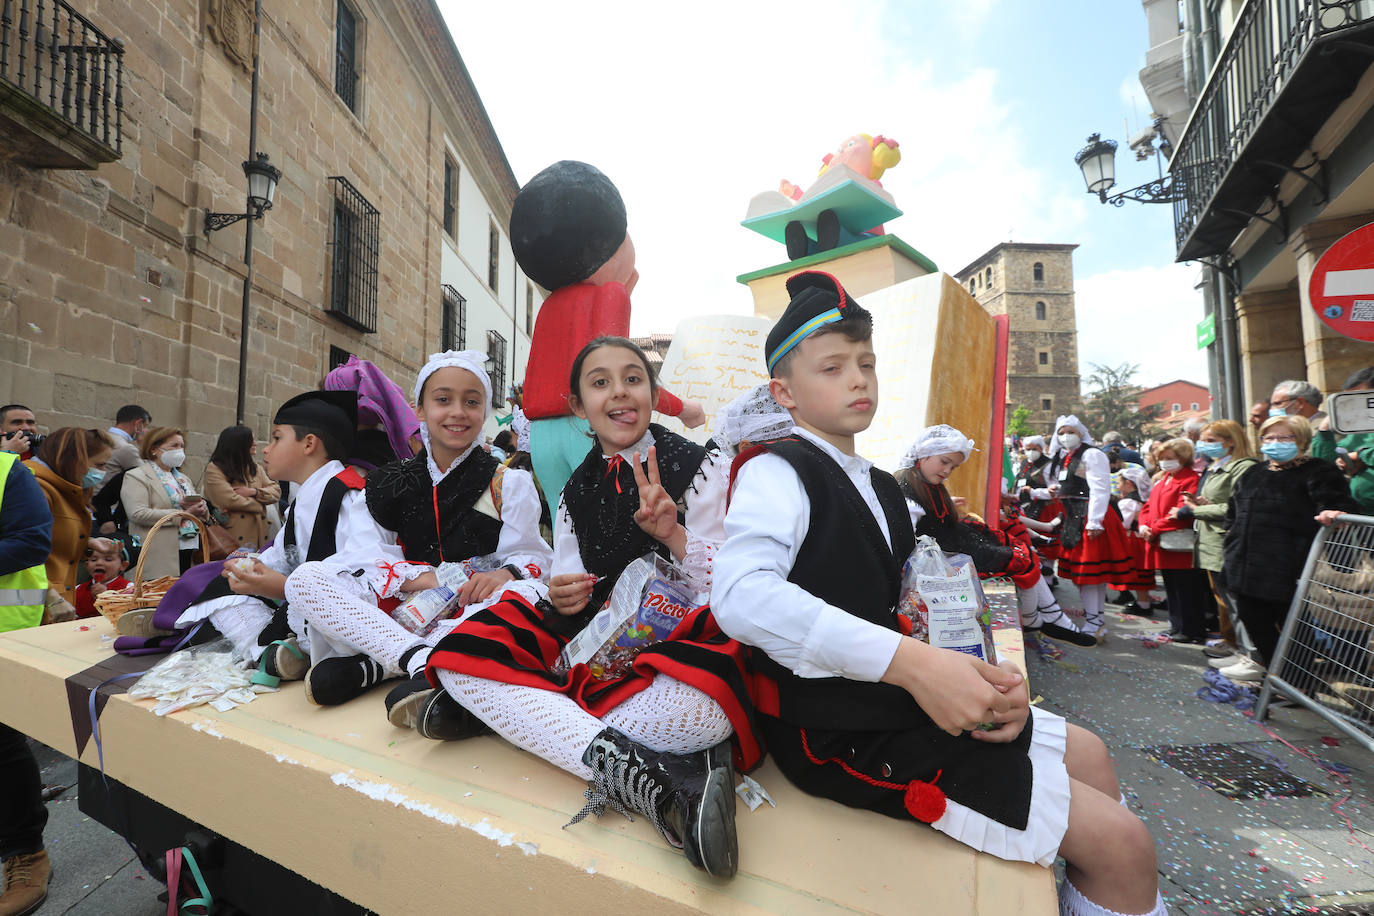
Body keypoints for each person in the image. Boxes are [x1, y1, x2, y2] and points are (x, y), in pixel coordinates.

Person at [713, 271, 1163, 916]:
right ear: (783, 392)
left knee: (1090, 753)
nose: (858, 378)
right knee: (1123, 845)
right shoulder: (775, 469)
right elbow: (742, 596)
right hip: (835, 730)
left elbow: (908, 599)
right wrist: (917, 667)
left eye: (865, 362)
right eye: (832, 367)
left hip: (893, 701)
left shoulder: (874, 480)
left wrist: (973, 672)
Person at [425, 337, 756, 878]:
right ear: (579, 405)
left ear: (653, 393)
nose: (620, 394)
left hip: (684, 639)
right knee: (459, 652)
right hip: (597, 642)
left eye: (633, 379)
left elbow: (734, 583)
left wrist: (673, 536)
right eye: (600, 383)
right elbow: (566, 571)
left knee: (702, 709)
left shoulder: (699, 465)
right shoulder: (575, 489)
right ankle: (661, 776)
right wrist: (561, 592)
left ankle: (527, 721)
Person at [282, 350, 552, 711]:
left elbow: (533, 554)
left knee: (529, 592)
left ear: (484, 411)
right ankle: (420, 660)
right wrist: (429, 580)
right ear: (420, 409)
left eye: (471, 401)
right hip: (405, 608)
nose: (458, 411)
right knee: (306, 580)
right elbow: (366, 556)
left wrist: (506, 572)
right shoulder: (386, 484)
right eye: (443, 399)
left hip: (476, 608)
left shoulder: (507, 483)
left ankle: (377, 665)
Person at [136, 392, 382, 667]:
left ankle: (282, 652)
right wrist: (251, 569)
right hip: (298, 605)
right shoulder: (305, 498)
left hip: (343, 620)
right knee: (223, 592)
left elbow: (370, 580)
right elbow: (281, 555)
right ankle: (273, 652)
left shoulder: (350, 498)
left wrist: (285, 587)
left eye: (277, 438)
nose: (266, 448)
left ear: (309, 444)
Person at [509, 161, 704, 506]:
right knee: (608, 525)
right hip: (585, 427)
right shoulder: (609, 295)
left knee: (564, 527)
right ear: (611, 247)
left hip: (541, 435)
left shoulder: (549, 307)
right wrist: (683, 408)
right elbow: (625, 379)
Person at [896, 425, 1094, 646]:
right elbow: (907, 539)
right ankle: (1039, 618)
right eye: (944, 462)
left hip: (950, 541)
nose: (947, 471)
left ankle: (1049, 616)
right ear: (923, 455)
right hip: (941, 556)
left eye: (953, 467)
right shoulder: (907, 492)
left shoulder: (925, 483)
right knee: (1020, 559)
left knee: (1021, 549)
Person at [1220, 414, 1356, 683]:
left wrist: (1332, 512)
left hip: (1287, 565)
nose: (1275, 442)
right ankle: (1280, 678)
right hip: (1243, 565)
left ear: (1302, 440)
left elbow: (1340, 503)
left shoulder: (1319, 470)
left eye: (1285, 437)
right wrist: (1231, 542)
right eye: (1269, 437)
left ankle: (1300, 684)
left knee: (1295, 629)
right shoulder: (1254, 472)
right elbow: (1233, 512)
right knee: (1254, 622)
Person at [0, 451, 54, 916]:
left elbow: (31, 542)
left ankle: (27, 853)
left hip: (2, 627)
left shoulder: (7, 470)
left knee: (0, 743)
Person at [1039, 416, 1135, 639]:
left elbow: (1099, 489)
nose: (1065, 436)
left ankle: (1095, 622)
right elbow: (1074, 485)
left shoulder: (1091, 454)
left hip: (1089, 517)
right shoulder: (1067, 457)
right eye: (1061, 432)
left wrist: (1094, 521)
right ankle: (1096, 620)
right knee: (1087, 576)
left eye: (1069, 431)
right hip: (1075, 517)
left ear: (1081, 433)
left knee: (1090, 575)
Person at [1171, 420, 1258, 661]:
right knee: (1225, 603)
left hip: (1227, 543)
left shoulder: (1243, 467)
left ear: (1231, 441)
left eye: (1211, 441)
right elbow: (1220, 502)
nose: (1204, 446)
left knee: (1237, 605)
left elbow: (1235, 506)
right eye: (1203, 441)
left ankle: (1249, 654)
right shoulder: (1217, 465)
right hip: (1212, 543)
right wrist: (1201, 504)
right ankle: (1235, 646)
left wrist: (1195, 510)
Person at [24, 428, 115, 623]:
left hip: (48, 605)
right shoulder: (37, 487)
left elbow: (52, 542)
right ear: (74, 459)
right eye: (99, 464)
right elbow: (22, 551)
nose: (102, 472)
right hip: (32, 607)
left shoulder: (64, 488)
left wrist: (88, 544)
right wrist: (52, 598)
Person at [1136, 438, 1212, 643]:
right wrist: (1143, 525)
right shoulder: (1164, 479)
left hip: (1177, 543)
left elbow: (1180, 513)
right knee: (1172, 586)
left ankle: (1191, 628)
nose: (1164, 462)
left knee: (1186, 588)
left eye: (1169, 458)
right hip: (1162, 541)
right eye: (1161, 458)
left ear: (1183, 458)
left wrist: (1153, 528)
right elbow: (1148, 507)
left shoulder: (1190, 479)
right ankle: (1176, 624)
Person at [121, 427, 209, 577]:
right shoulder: (137, 476)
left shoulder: (182, 478)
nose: (179, 450)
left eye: (182, 446)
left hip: (189, 547)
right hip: (158, 552)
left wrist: (202, 508)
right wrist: (182, 514)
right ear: (154, 449)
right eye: (174, 446)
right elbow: (137, 513)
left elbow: (196, 510)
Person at [203, 426, 281, 552]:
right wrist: (261, 505)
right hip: (232, 537)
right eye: (251, 440)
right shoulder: (215, 469)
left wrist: (254, 492)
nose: (255, 443)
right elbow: (229, 500)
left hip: (260, 534)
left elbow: (276, 491)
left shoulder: (255, 468)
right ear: (239, 443)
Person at [1312, 366, 1374, 515]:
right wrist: (1325, 429)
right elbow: (1323, 464)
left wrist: (1360, 456)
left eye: (1359, 399)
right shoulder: (1355, 431)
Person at [1108, 465, 1160, 618]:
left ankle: (1144, 605)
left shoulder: (1127, 502)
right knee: (1142, 572)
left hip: (1133, 540)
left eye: (1119, 482)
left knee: (1137, 572)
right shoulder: (1142, 499)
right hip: (1141, 539)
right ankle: (1144, 602)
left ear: (1129, 483)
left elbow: (1123, 523)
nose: (1117, 486)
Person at [73, 537, 131, 619]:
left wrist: (108, 597)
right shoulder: (77, 590)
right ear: (87, 565)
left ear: (123, 565)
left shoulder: (129, 588)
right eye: (93, 560)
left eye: (108, 559)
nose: (99, 563)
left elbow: (129, 614)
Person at [98, 405, 151, 494]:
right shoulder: (126, 448)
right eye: (145, 426)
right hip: (105, 503)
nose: (146, 431)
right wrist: (145, 444)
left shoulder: (101, 437)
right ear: (138, 424)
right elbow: (148, 478)